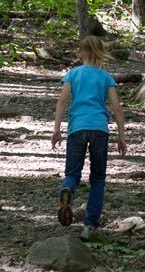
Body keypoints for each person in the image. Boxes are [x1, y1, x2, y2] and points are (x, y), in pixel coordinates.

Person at [51, 36, 127, 238]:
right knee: (98, 179)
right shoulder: (105, 77)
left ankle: (67, 188)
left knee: (72, 174)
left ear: (79, 54)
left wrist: (56, 130)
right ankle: (90, 226)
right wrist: (122, 136)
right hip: (99, 129)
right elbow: (117, 108)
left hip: (77, 128)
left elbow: (62, 102)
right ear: (101, 53)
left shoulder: (72, 74)